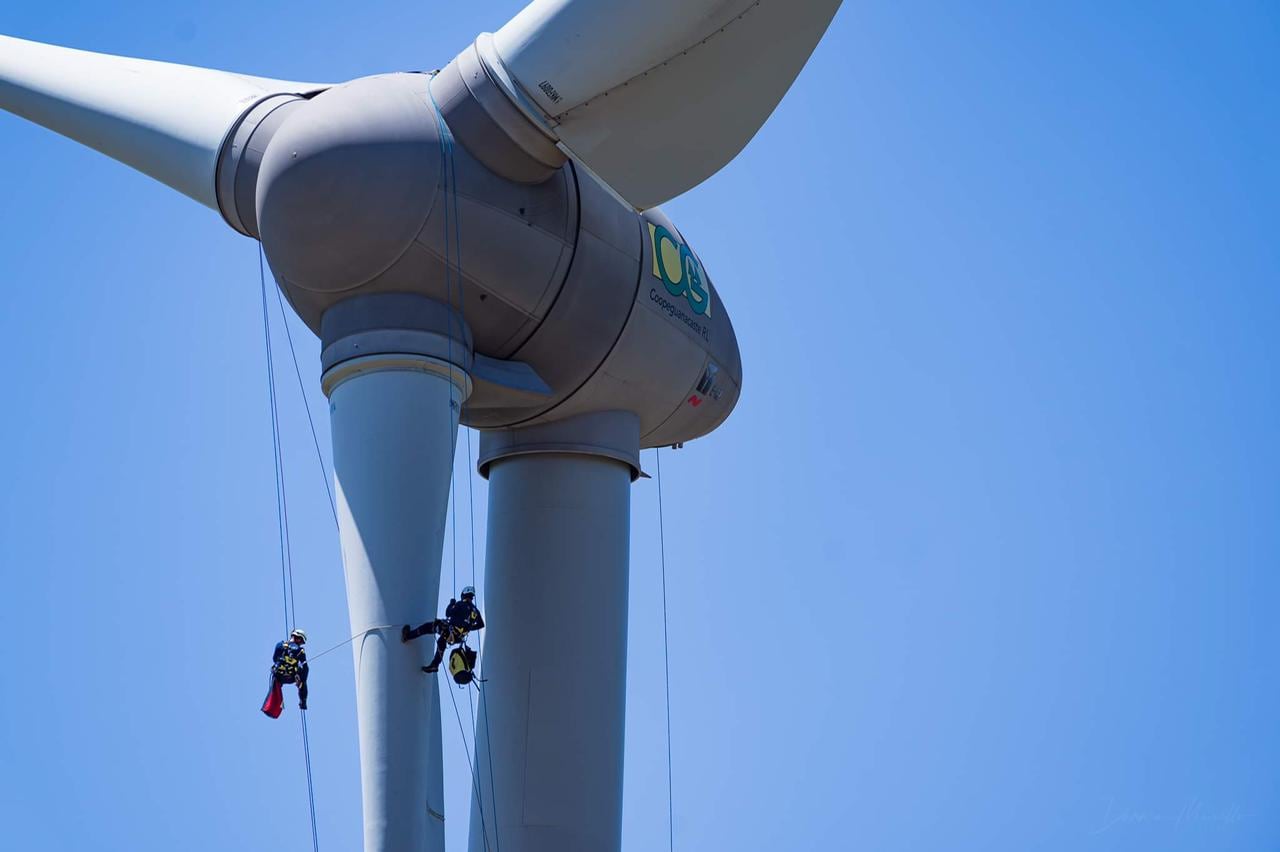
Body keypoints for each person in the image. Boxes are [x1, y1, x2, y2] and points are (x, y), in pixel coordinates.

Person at [402, 586, 484, 673]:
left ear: (463, 594)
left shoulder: (461, 604)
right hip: (458, 637)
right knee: (442, 642)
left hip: (450, 631)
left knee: (428, 627)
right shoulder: (475, 611)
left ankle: (408, 636)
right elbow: (481, 625)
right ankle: (434, 665)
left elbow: (448, 613)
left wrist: (452, 603)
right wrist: (469, 628)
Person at [262, 628, 309, 718]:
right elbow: (305, 668)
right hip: (285, 675)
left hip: (285, 675)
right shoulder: (298, 650)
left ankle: (303, 701)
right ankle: (303, 701)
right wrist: (302, 679)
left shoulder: (281, 645)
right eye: (300, 641)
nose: (300, 643)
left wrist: (301, 677)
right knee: (302, 682)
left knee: (302, 681)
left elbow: (275, 658)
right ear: (297, 637)